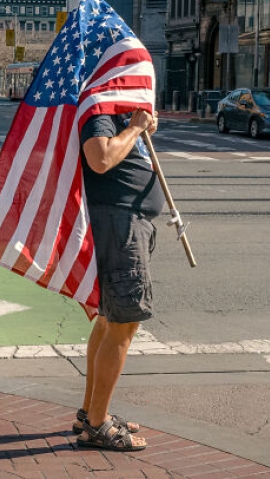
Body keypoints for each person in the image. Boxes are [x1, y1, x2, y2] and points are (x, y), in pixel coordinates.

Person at [72, 107, 161, 452]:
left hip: (125, 222)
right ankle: (97, 425)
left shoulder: (114, 113)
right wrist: (135, 128)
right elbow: (101, 158)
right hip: (120, 226)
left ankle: (91, 413)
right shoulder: (100, 111)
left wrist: (139, 128)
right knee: (123, 322)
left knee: (109, 320)